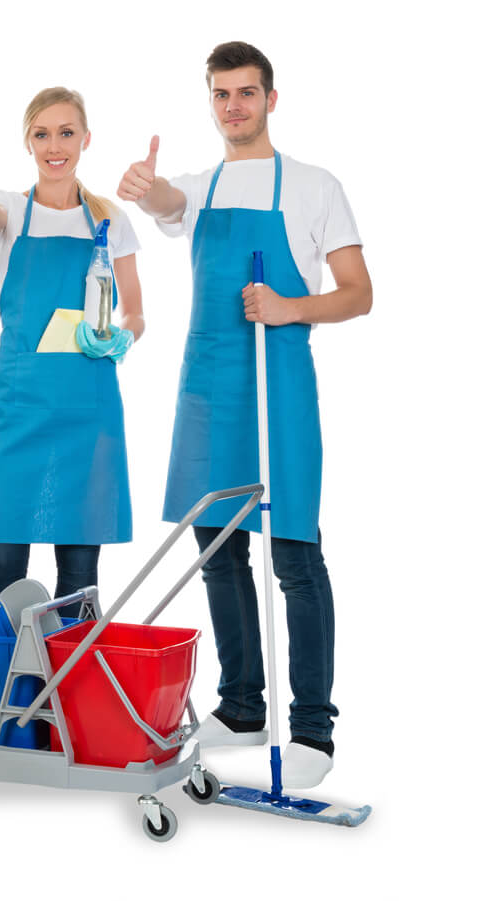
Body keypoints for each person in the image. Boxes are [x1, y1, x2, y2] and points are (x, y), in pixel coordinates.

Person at [118, 42, 371, 788]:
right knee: (217, 547)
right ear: (211, 102)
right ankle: (241, 706)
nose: (234, 106)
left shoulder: (316, 186)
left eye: (246, 92)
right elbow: (170, 204)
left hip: (278, 386)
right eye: (221, 94)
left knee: (294, 553)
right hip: (210, 388)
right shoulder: (202, 187)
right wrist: (148, 190)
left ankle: (313, 726)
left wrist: (291, 306)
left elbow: (358, 291)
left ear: (270, 98)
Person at [0, 87, 144, 612]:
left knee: (79, 582)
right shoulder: (13, 210)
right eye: (42, 134)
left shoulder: (111, 219)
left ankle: (68, 669)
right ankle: (2, 669)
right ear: (28, 143)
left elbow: (135, 310)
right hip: (18, 411)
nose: (54, 146)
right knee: (3, 576)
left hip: (88, 414)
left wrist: (122, 336)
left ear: (86, 139)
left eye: (66, 133)